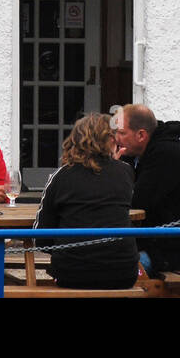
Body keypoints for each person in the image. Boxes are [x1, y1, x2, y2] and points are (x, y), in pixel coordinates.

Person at [34, 113, 138, 290]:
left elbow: (40, 238)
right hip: (122, 271)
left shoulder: (62, 176)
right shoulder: (125, 172)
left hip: (72, 272)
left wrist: (69, 249)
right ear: (109, 140)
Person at [114, 104, 180, 274]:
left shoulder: (165, 154)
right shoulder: (135, 155)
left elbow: (136, 204)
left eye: (122, 133)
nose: (116, 138)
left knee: (119, 269)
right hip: (162, 244)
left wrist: (114, 170)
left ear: (141, 135)